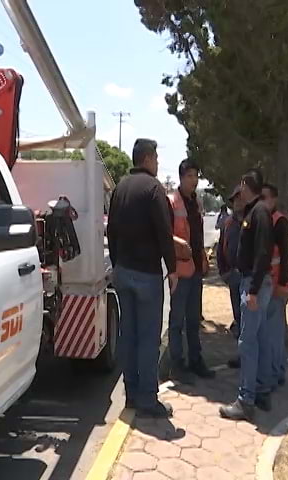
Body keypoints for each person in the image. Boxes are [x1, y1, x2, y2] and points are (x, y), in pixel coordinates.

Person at [107, 138, 178, 418]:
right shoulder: (153, 188)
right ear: (147, 158)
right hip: (147, 275)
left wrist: (117, 264)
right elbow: (164, 232)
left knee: (129, 335)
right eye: (156, 158)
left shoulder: (120, 188)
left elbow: (110, 230)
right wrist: (172, 269)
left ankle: (132, 393)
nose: (158, 162)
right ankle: (148, 398)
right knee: (149, 338)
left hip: (123, 271)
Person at [220, 168, 274, 421]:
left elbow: (263, 253)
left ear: (246, 184)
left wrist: (251, 290)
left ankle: (246, 400)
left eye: (241, 185)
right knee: (259, 339)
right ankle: (261, 391)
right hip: (254, 282)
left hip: (254, 283)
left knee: (248, 343)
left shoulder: (259, 212)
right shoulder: (255, 211)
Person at [167, 160, 215, 384]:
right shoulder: (172, 202)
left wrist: (204, 259)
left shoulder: (196, 202)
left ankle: (196, 361)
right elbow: (165, 235)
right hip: (180, 270)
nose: (193, 180)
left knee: (194, 320)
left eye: (196, 176)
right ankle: (177, 366)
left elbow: (198, 235)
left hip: (195, 269)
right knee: (176, 322)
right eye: (189, 176)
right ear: (181, 177)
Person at [260, 183, 288, 388]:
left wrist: (282, 283)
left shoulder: (278, 222)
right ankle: (277, 371)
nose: (261, 201)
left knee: (273, 333)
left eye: (265, 197)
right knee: (274, 331)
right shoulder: (266, 219)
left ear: (274, 199)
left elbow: (286, 254)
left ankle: (274, 373)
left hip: (276, 283)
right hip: (270, 283)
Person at [217, 185, 244, 369]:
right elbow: (221, 249)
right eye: (235, 200)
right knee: (239, 317)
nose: (237, 203)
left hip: (250, 277)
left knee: (250, 321)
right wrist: (224, 272)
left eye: (240, 199)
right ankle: (242, 355)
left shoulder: (254, 220)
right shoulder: (228, 223)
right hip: (234, 276)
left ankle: (250, 357)